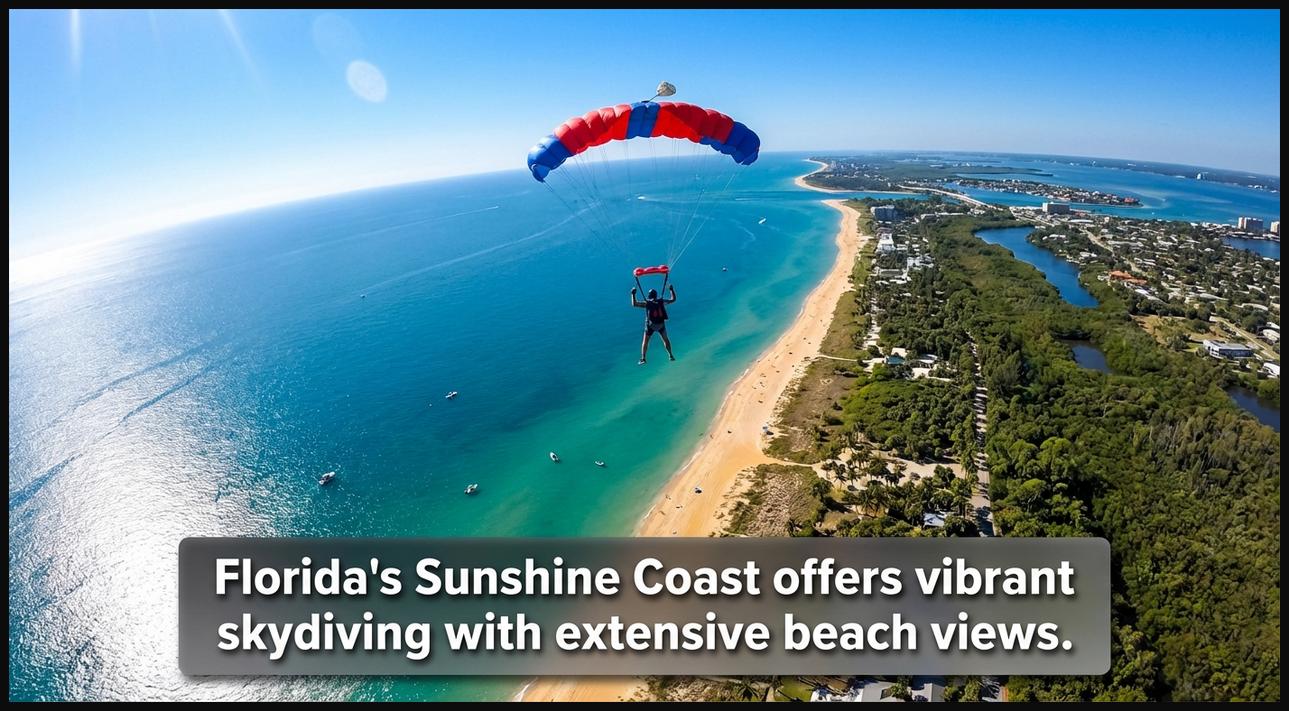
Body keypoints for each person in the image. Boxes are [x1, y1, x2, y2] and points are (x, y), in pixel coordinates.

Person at [631, 284, 676, 364]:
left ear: (649, 296)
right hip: (661, 325)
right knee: (666, 339)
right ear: (656, 295)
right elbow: (673, 299)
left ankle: (643, 358)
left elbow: (635, 304)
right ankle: (670, 355)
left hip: (650, 326)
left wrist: (633, 294)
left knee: (645, 342)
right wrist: (671, 289)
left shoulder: (647, 303)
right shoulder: (661, 302)